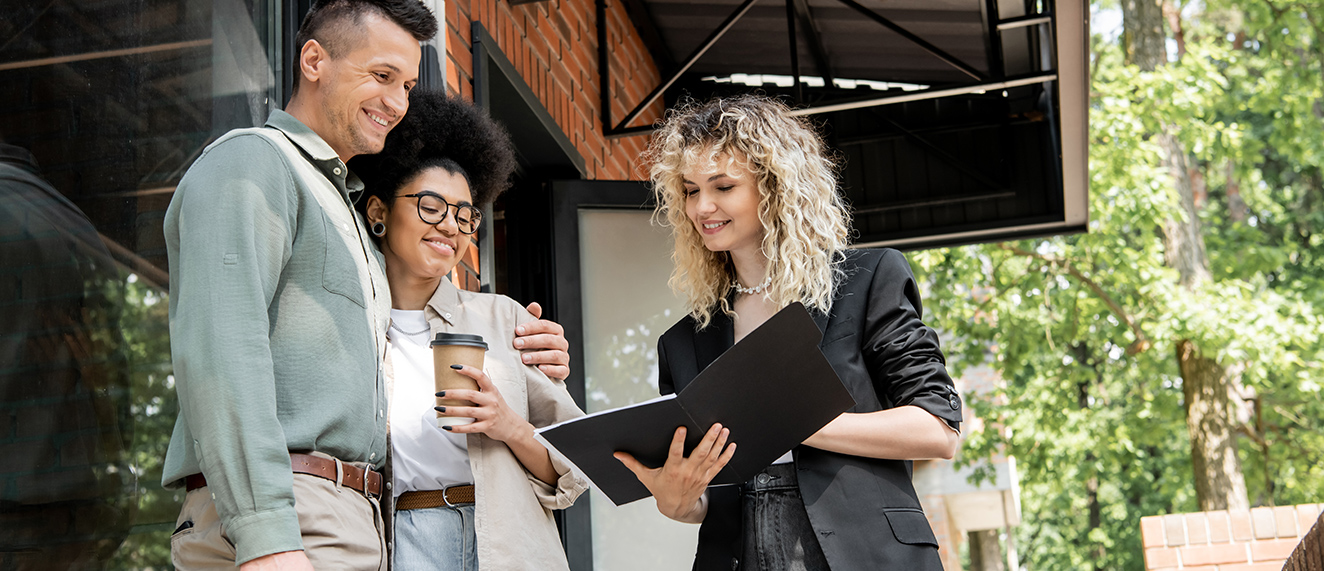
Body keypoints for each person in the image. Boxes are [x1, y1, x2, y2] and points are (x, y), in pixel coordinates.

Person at [160, 2, 569, 569]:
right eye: (381, 76)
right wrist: (267, 541)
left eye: (405, 84)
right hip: (290, 518)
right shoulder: (256, 162)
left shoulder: (346, 212)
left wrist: (520, 348)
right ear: (314, 60)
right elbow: (222, 354)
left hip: (358, 525)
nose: (397, 103)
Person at [614, 95, 964, 570]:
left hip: (863, 552)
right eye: (691, 190)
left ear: (775, 187)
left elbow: (937, 429)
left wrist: (800, 424)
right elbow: (702, 501)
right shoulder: (682, 342)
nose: (703, 206)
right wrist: (675, 499)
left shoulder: (865, 280)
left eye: (723, 186)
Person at [347, 87, 588, 571]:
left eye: (464, 215)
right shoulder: (350, 329)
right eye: (432, 206)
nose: (452, 227)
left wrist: (508, 425)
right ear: (378, 211)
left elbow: (572, 468)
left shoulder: (506, 319)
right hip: (399, 541)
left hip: (507, 538)